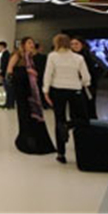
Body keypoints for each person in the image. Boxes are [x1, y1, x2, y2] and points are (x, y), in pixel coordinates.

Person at [43, 33, 91, 164]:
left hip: (57, 90)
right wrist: (82, 84)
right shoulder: (78, 58)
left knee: (59, 119)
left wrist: (46, 91)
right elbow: (86, 77)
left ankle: (61, 154)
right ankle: (69, 126)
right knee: (83, 118)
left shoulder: (52, 56)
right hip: (75, 90)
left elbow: (48, 74)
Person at [7, 37, 55, 155]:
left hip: (33, 91)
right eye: (29, 43)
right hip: (22, 91)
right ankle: (27, 143)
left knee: (35, 117)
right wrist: (27, 71)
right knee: (25, 116)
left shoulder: (33, 57)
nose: (32, 45)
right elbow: (9, 71)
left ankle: (40, 143)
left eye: (33, 43)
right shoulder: (18, 55)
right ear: (23, 45)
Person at [70, 37, 106, 119]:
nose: (74, 46)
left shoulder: (89, 56)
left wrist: (94, 78)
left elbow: (103, 67)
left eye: (76, 44)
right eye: (72, 44)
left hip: (88, 85)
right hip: (74, 85)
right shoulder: (70, 57)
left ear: (82, 44)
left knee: (89, 106)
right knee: (75, 107)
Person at [33, 41, 49, 109]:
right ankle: (44, 103)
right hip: (42, 75)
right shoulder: (43, 57)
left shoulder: (31, 57)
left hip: (34, 75)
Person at [0, 41, 14, 109]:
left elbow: (4, 65)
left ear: (2, 46)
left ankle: (9, 104)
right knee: (8, 89)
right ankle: (9, 103)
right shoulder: (6, 54)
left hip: (6, 74)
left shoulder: (6, 54)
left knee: (8, 89)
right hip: (6, 74)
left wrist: (1, 74)